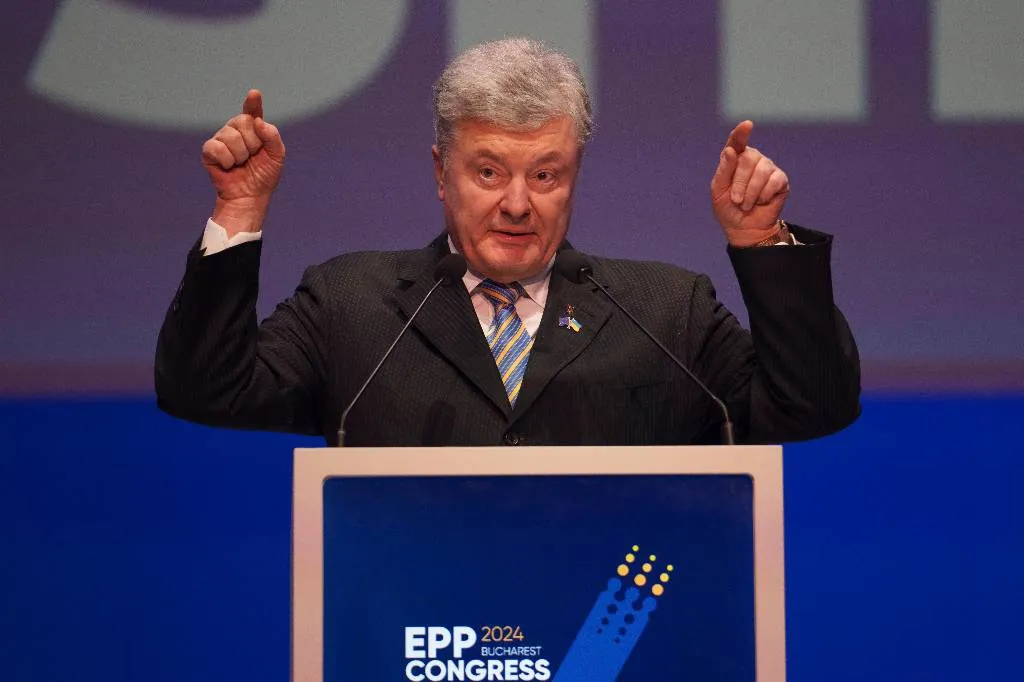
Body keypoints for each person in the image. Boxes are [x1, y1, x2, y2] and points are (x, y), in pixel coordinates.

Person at [156, 37, 860, 446]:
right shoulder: (350, 305)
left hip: (608, 634)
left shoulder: (666, 311)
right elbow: (207, 391)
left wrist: (763, 242)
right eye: (488, 172)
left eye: (545, 175)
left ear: (575, 175)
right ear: (442, 173)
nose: (518, 204)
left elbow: (813, 406)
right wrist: (239, 210)